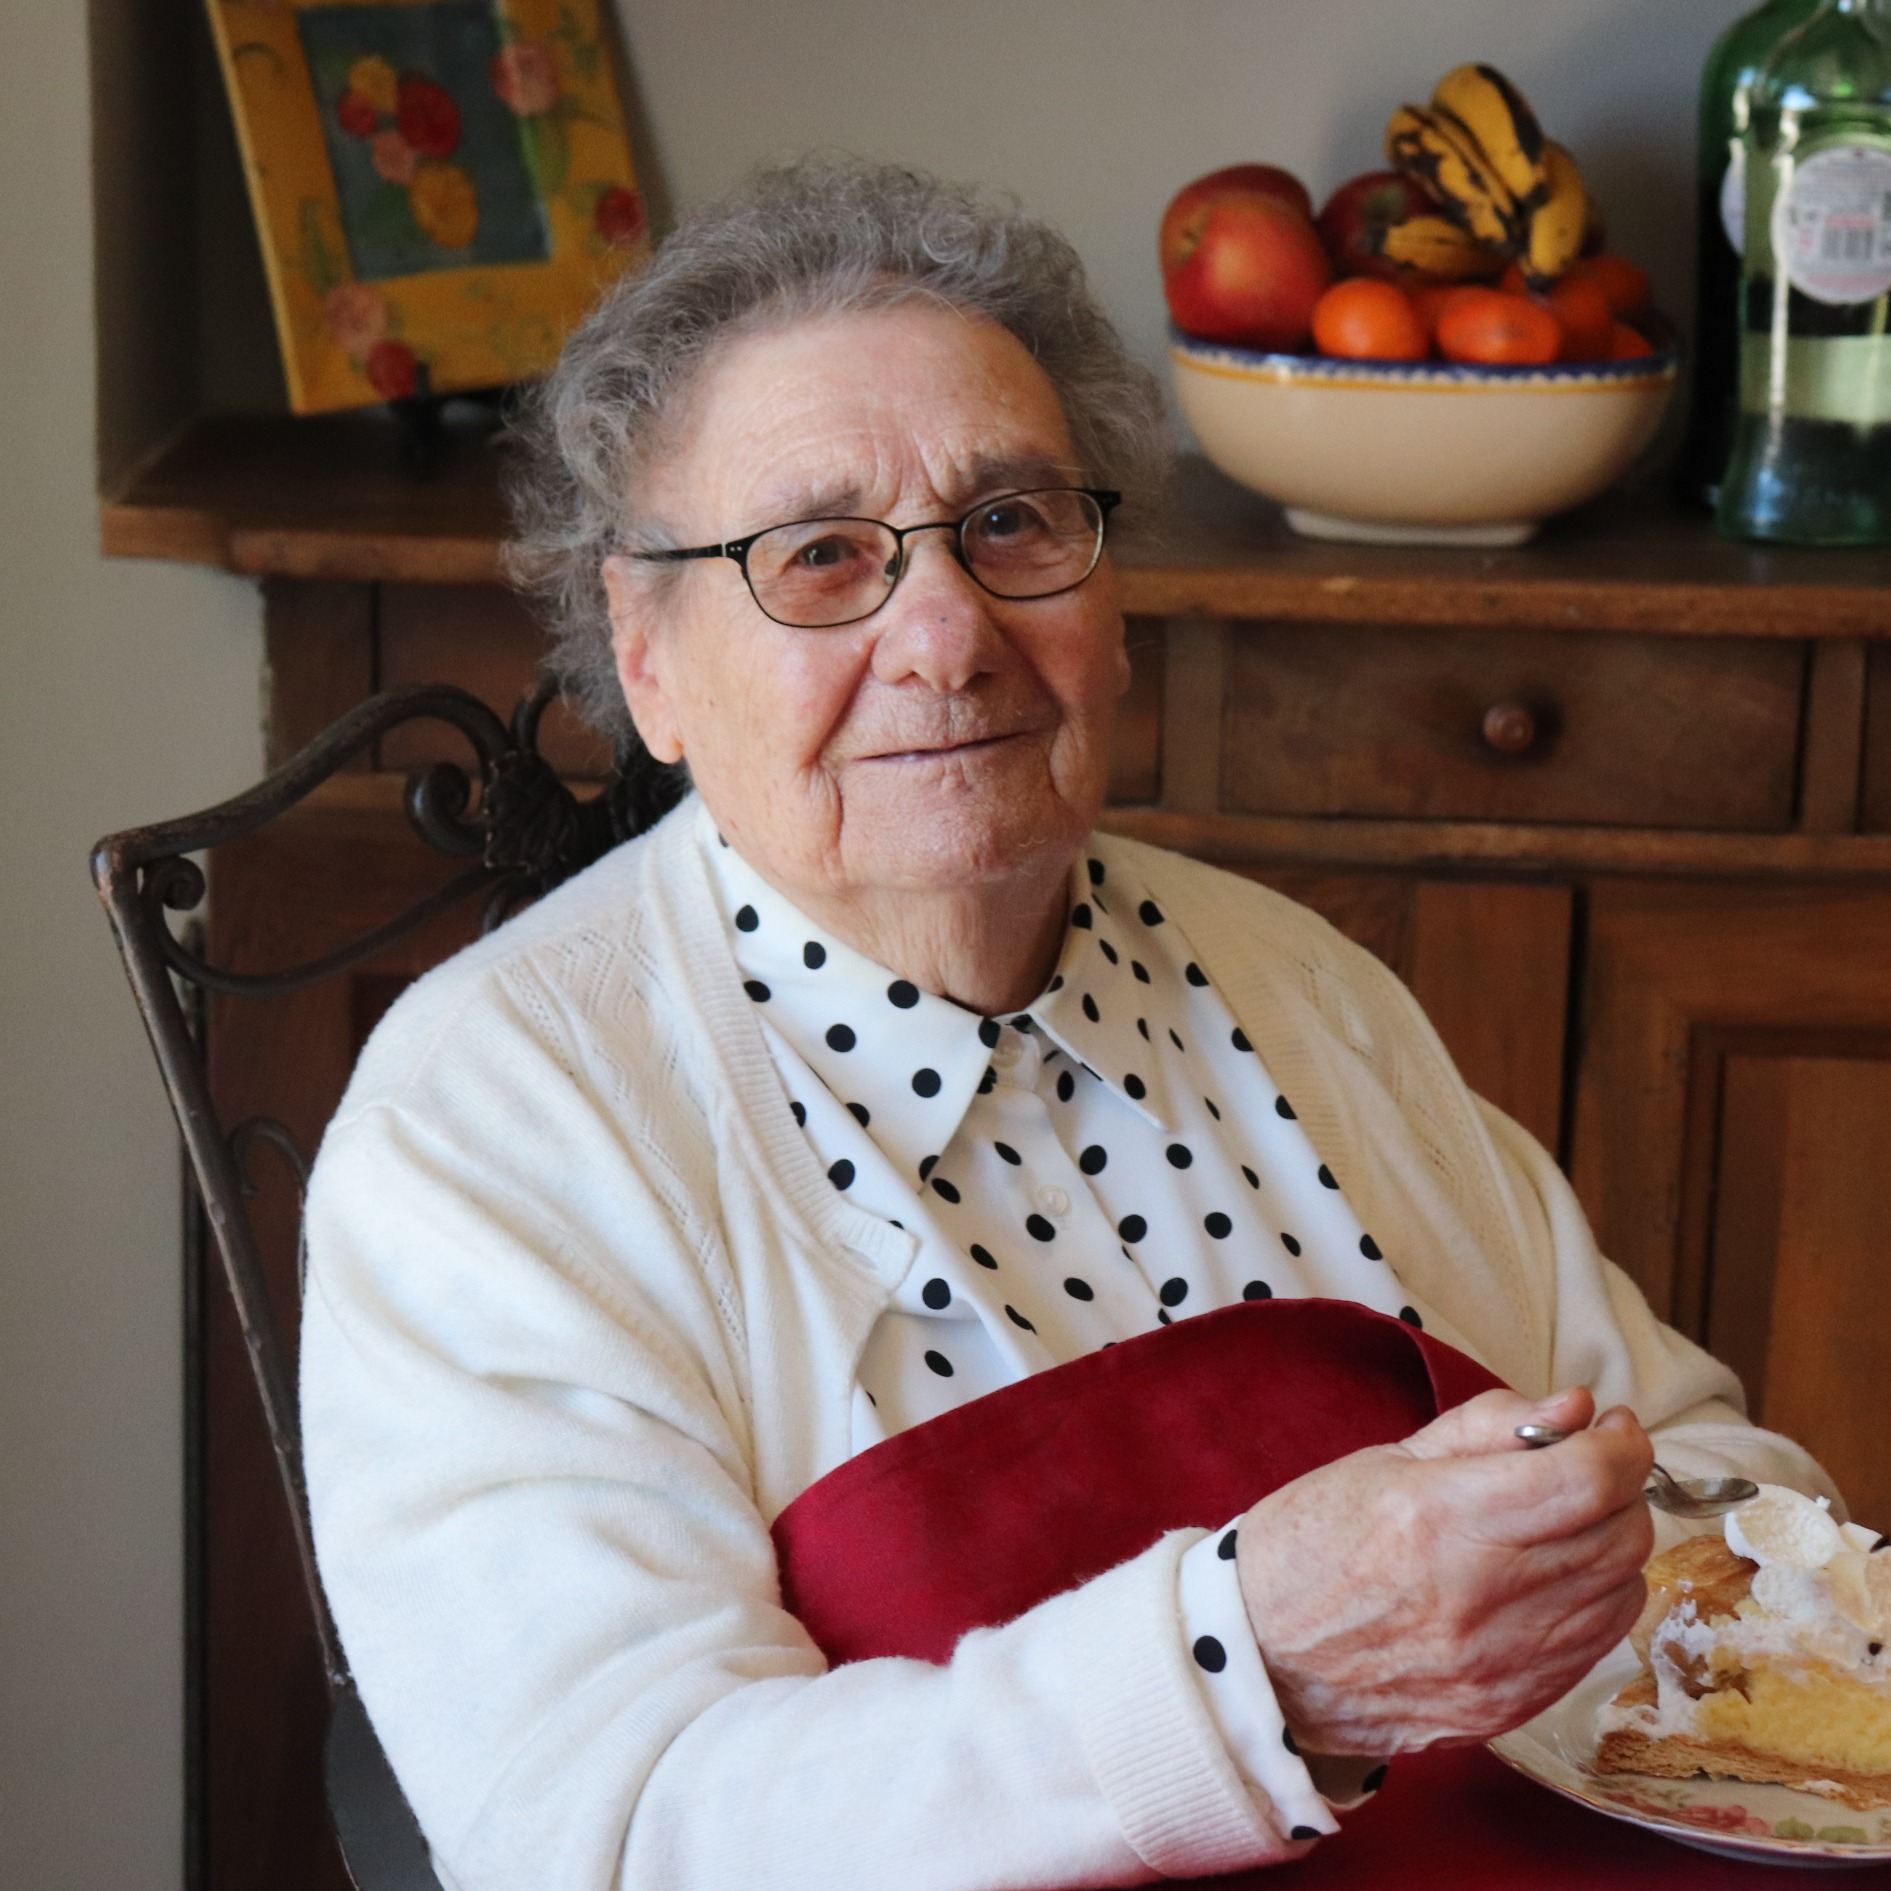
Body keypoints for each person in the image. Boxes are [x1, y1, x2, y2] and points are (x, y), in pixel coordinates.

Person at [301, 156, 1839, 1890]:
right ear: (646, 654)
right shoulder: (492, 1130)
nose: (946, 635)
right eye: (820, 557)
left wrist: (1714, 1580)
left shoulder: (1297, 983)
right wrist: (1257, 1671)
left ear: (1110, 604)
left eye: (1014, 523)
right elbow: (622, 1834)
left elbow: (1704, 1467)